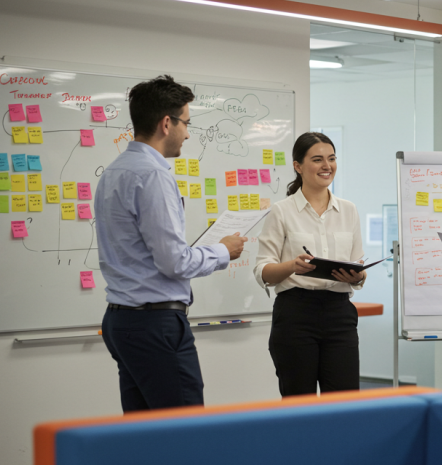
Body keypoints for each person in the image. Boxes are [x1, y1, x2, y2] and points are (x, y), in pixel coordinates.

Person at [96, 75, 247, 413]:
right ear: (167, 123)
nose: (189, 134)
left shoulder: (115, 171)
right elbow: (174, 262)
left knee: (144, 432)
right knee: (184, 430)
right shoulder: (153, 174)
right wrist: (223, 250)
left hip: (123, 321)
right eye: (186, 123)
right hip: (154, 324)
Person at [254, 132, 366, 397]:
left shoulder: (348, 210)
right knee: (298, 401)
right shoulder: (281, 211)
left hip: (340, 313)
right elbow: (263, 271)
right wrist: (292, 266)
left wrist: (357, 277)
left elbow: (359, 267)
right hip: (296, 314)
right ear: (298, 166)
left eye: (332, 158)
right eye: (317, 160)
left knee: (344, 402)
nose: (327, 166)